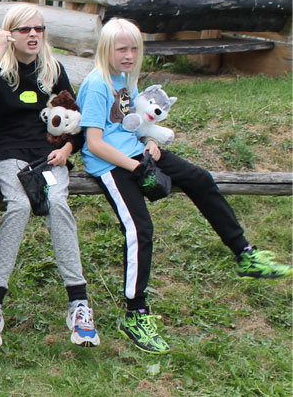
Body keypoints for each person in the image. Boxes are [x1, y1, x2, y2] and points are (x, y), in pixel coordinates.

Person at [77, 18, 291, 354]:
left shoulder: (125, 79)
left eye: (135, 48)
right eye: (122, 48)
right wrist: (136, 168)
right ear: (107, 49)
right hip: (111, 164)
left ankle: (244, 254)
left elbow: (133, 123)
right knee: (139, 229)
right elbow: (94, 143)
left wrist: (147, 142)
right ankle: (136, 312)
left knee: (200, 179)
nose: (130, 54)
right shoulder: (97, 84)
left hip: (136, 152)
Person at [0, 3, 97, 350]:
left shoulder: (53, 70)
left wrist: (69, 150)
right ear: (11, 33)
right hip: (7, 150)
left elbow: (76, 120)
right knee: (20, 206)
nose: (34, 35)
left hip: (47, 152)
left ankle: (79, 305)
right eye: (25, 29)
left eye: (39, 28)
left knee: (57, 203)